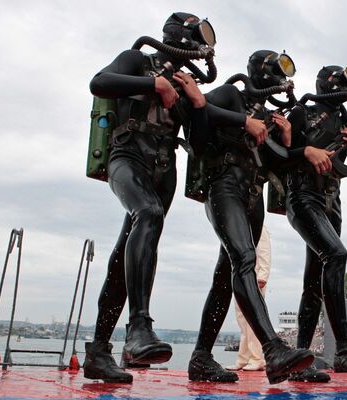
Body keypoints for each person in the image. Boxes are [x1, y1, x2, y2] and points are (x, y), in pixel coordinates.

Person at [83, 12, 243, 383]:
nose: (206, 48)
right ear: (180, 36)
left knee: (126, 254)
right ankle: (139, 326)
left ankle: (98, 352)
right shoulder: (138, 59)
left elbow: (200, 146)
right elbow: (99, 81)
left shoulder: (187, 83)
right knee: (149, 214)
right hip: (128, 156)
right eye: (200, 36)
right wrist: (154, 83)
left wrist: (198, 105)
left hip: (164, 168)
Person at [188, 50, 314, 384]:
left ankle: (200, 357)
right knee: (244, 258)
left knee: (225, 274)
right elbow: (195, 115)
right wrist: (244, 121)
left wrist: (286, 141)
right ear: (260, 72)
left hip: (253, 194)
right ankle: (273, 349)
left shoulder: (269, 118)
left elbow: (276, 166)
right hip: (224, 186)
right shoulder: (231, 94)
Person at [283, 65, 347, 382]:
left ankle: (301, 360)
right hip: (303, 197)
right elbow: (277, 154)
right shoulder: (303, 113)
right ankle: (344, 349)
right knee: (336, 255)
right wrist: (306, 150)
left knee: (314, 279)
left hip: (332, 203)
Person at [227, 227, 271, 371]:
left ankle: (256, 358)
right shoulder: (239, 225)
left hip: (254, 277)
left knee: (252, 319)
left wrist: (263, 273)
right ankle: (244, 358)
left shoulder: (259, 224)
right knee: (242, 319)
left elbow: (264, 249)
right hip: (240, 277)